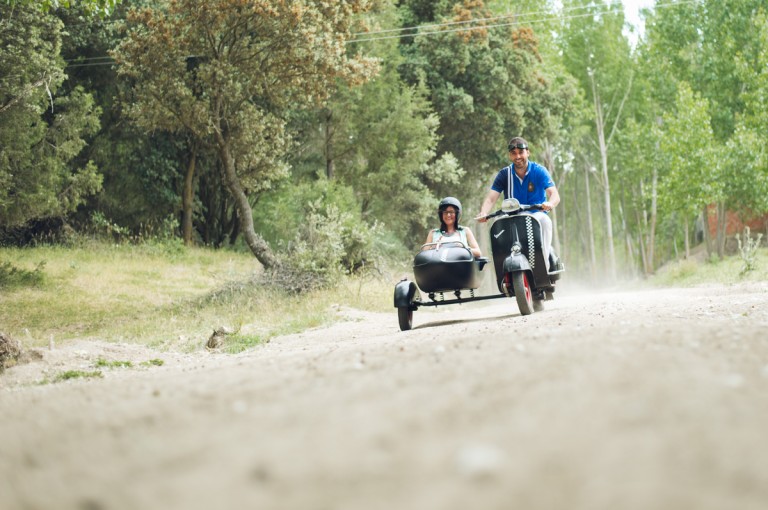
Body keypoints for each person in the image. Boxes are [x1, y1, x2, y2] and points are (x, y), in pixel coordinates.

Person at [476, 136, 560, 270]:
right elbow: (491, 198)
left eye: (521, 152)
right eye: (514, 153)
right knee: (498, 227)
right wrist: (484, 212)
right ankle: (503, 271)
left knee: (545, 221)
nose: (518, 156)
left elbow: (554, 194)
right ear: (510, 155)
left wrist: (550, 203)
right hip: (512, 216)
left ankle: (543, 265)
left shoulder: (539, 171)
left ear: (528, 152)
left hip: (535, 214)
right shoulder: (504, 174)